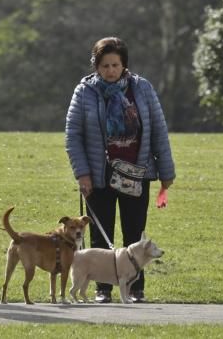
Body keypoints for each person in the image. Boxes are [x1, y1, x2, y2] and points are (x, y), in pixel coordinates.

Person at [65, 36, 176, 303]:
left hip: (137, 174)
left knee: (134, 234)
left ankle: (136, 289)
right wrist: (82, 173)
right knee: (99, 234)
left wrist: (166, 173)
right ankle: (102, 289)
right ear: (96, 66)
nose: (110, 71)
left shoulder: (143, 89)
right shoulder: (84, 91)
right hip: (98, 176)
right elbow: (73, 135)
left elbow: (158, 130)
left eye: (115, 65)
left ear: (124, 65)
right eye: (104, 66)